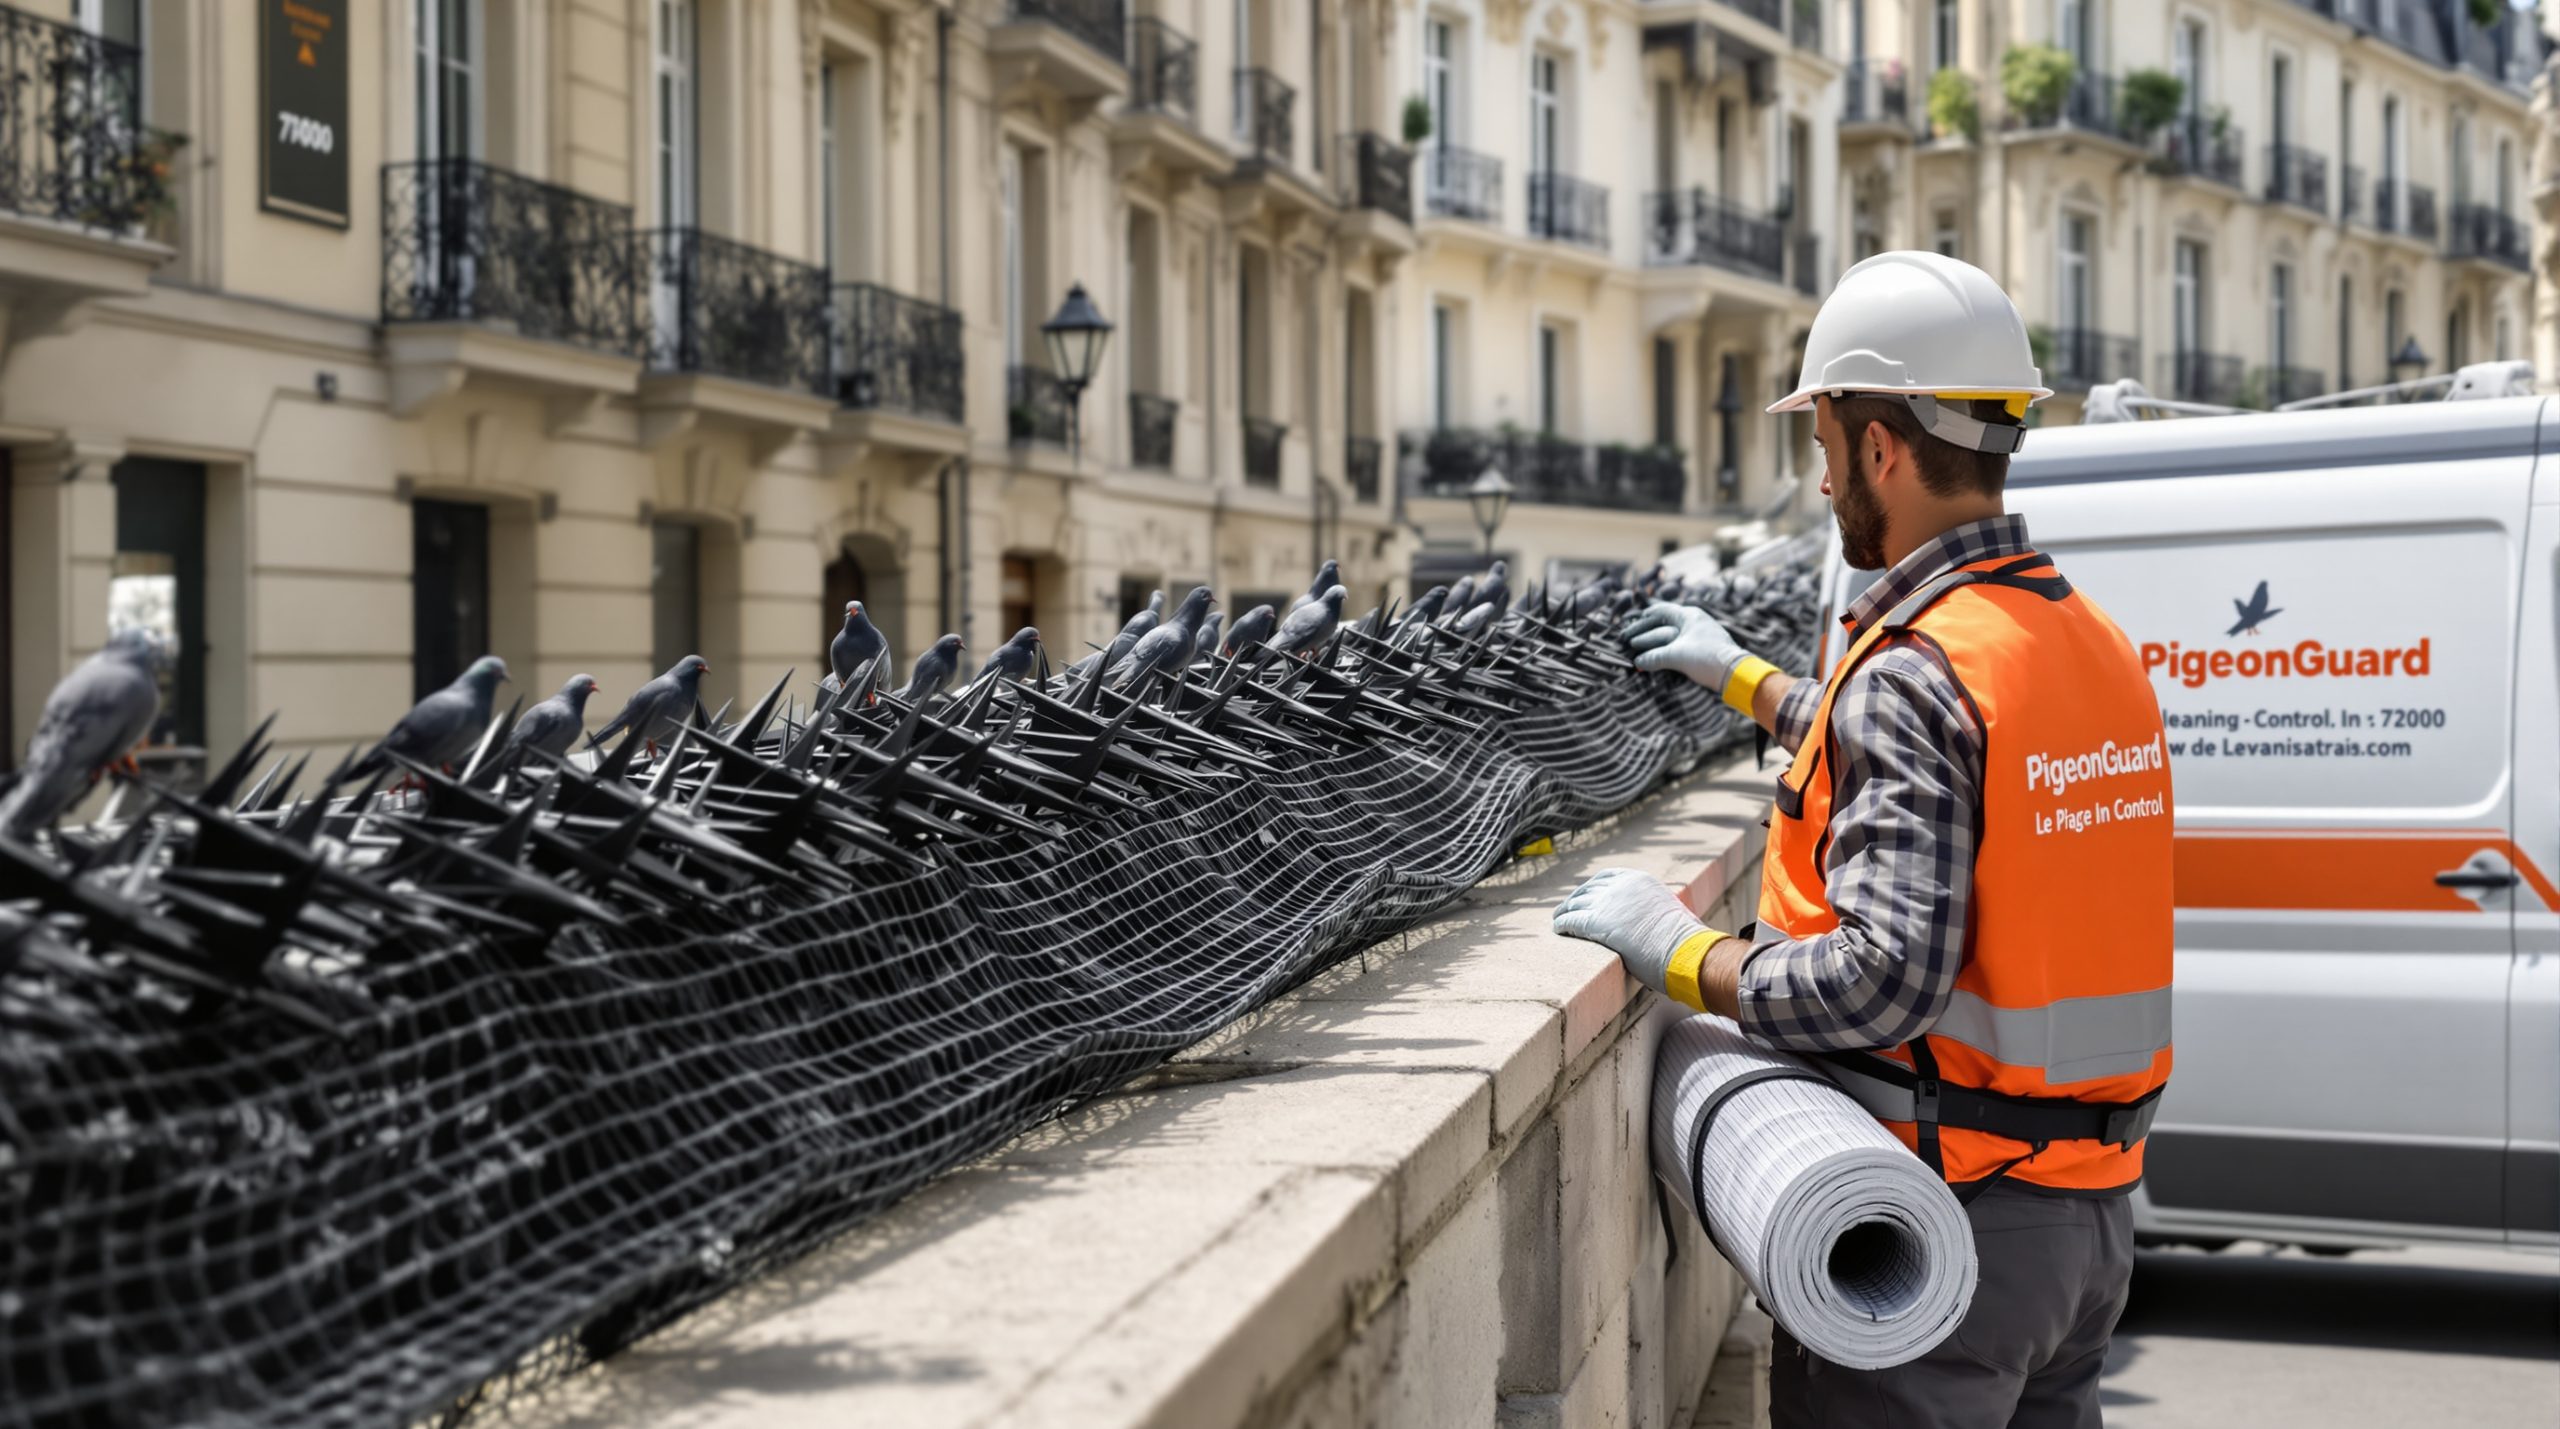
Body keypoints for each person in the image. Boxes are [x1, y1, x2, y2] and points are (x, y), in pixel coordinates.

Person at [1551, 250, 2174, 1429]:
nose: (1825, 479)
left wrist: (1681, 955)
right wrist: (1745, 679)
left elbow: (1876, 982)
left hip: (1941, 1233)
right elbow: (1941, 768)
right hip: (2088, 1223)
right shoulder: (2082, 640)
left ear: (1878, 446)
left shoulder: (1918, 667)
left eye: (1825, 447)